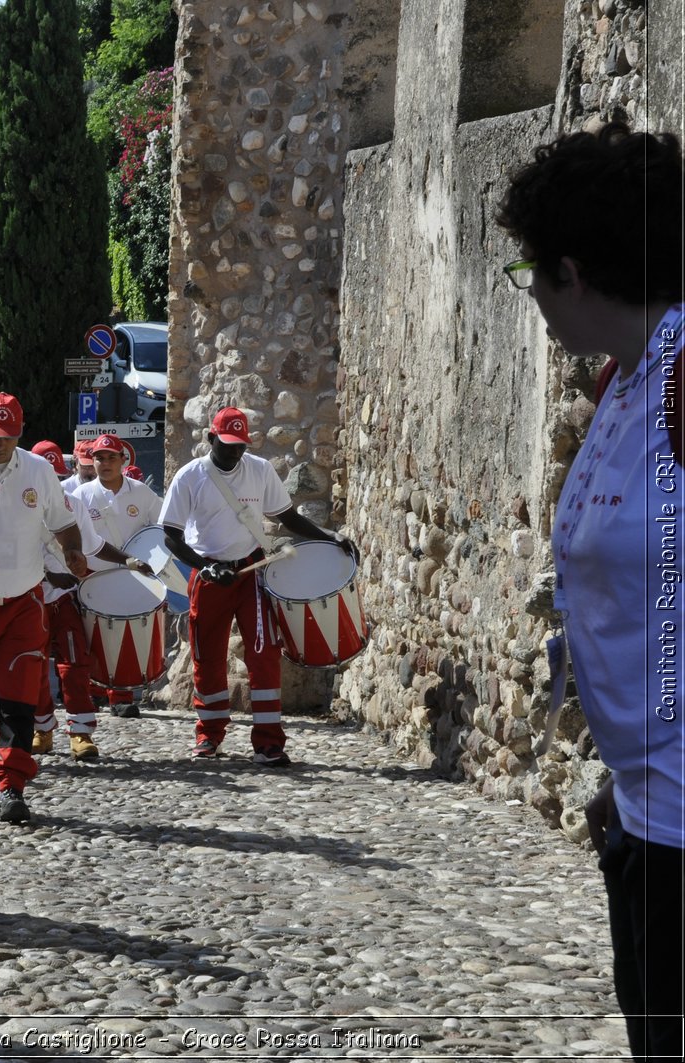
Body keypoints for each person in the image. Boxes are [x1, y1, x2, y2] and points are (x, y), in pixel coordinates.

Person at [497, 121, 683, 1063]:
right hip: (654, 812)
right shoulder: (629, 379)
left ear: (569, 272)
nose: (527, 293)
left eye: (526, 271)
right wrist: (630, 769)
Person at [0, 394, 139, 824]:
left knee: (20, 697)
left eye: (9, 437)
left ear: (20, 433)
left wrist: (72, 551)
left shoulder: (38, 471)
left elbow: (63, 521)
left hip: (23, 602)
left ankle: (12, 785)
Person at [159, 407, 353, 768]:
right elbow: (170, 535)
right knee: (207, 657)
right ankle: (209, 734)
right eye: (228, 445)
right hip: (208, 576)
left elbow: (287, 517)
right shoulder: (190, 477)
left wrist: (330, 536)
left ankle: (268, 743)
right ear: (211, 439)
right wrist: (206, 567)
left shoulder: (261, 470)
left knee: (264, 654)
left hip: (251, 572)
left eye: (241, 446)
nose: (235, 452)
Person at [29, 440, 154, 761]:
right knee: (33, 666)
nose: (54, 483)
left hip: (66, 598)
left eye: (58, 476)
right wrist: (48, 575)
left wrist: (129, 561)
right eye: (48, 476)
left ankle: (80, 733)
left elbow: (95, 545)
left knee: (74, 665)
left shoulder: (73, 504)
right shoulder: (21, 505)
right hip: (28, 598)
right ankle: (41, 729)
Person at [76, 433, 166, 719]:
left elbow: (163, 525)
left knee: (123, 633)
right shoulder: (81, 495)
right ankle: (92, 690)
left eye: (111, 457)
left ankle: (122, 696)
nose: (105, 463)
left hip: (131, 575)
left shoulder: (141, 492)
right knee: (92, 635)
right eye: (99, 458)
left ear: (122, 460)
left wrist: (154, 558)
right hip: (94, 575)